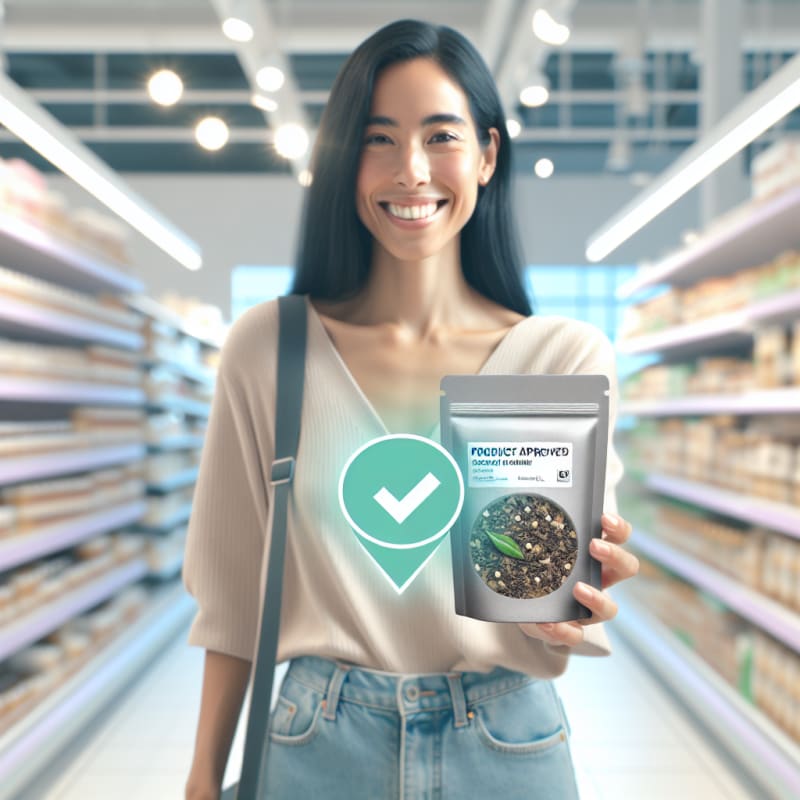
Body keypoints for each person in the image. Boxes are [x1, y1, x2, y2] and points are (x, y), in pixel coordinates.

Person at [184, 18, 639, 800]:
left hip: (506, 746)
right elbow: (230, 604)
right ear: (343, 161)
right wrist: (200, 783)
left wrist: (581, 602)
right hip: (314, 746)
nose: (412, 171)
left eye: (441, 137)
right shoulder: (271, 349)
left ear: (489, 155)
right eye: (379, 139)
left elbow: (548, 592)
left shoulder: (559, 359)